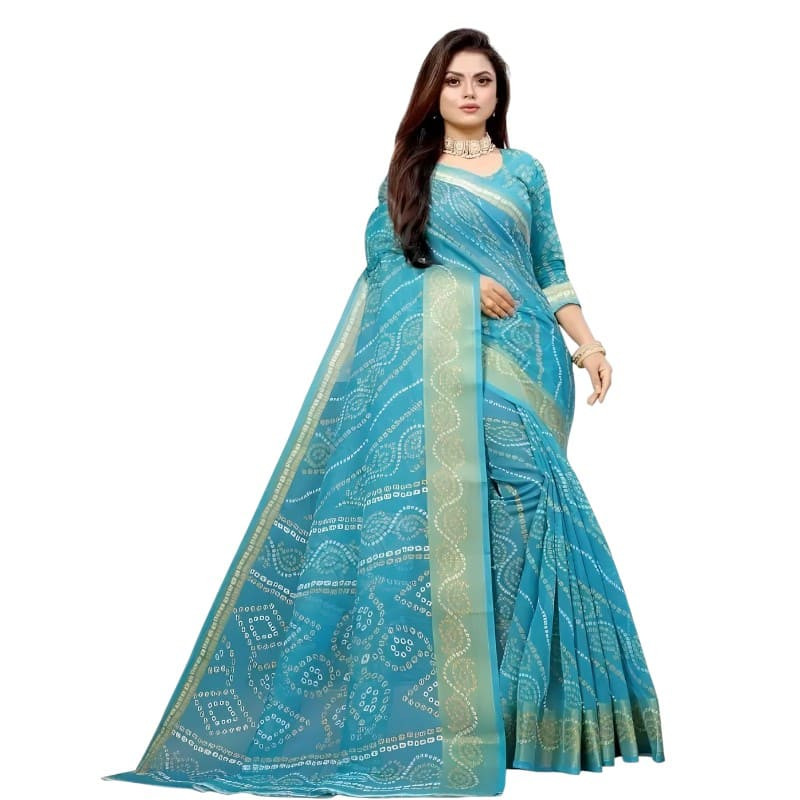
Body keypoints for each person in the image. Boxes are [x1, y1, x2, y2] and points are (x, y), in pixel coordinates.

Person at [102, 28, 665, 797]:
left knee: (521, 516)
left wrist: (590, 343)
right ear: (434, 92)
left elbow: (552, 270)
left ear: (499, 94)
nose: (470, 93)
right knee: (503, 507)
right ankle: (472, 717)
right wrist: (460, 289)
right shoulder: (410, 174)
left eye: (483, 81)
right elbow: (385, 268)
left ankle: (521, 717)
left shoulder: (526, 171)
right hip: (454, 359)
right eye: (455, 81)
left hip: (534, 359)